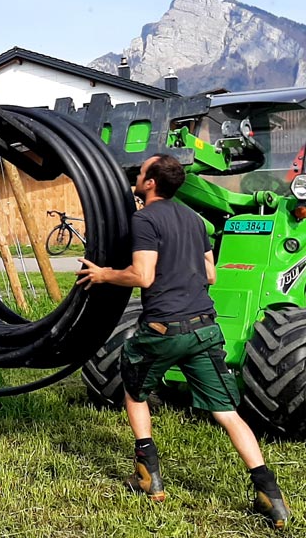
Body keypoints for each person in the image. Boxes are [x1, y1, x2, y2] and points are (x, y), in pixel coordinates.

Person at [76, 153, 290, 529]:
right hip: (204, 328)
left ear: (151, 183)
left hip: (163, 329)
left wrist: (104, 274)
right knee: (226, 413)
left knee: (134, 393)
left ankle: (148, 476)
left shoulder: (144, 219)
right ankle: (269, 493)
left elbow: (142, 276)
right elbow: (210, 274)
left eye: (141, 174)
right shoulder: (196, 221)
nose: (137, 178)